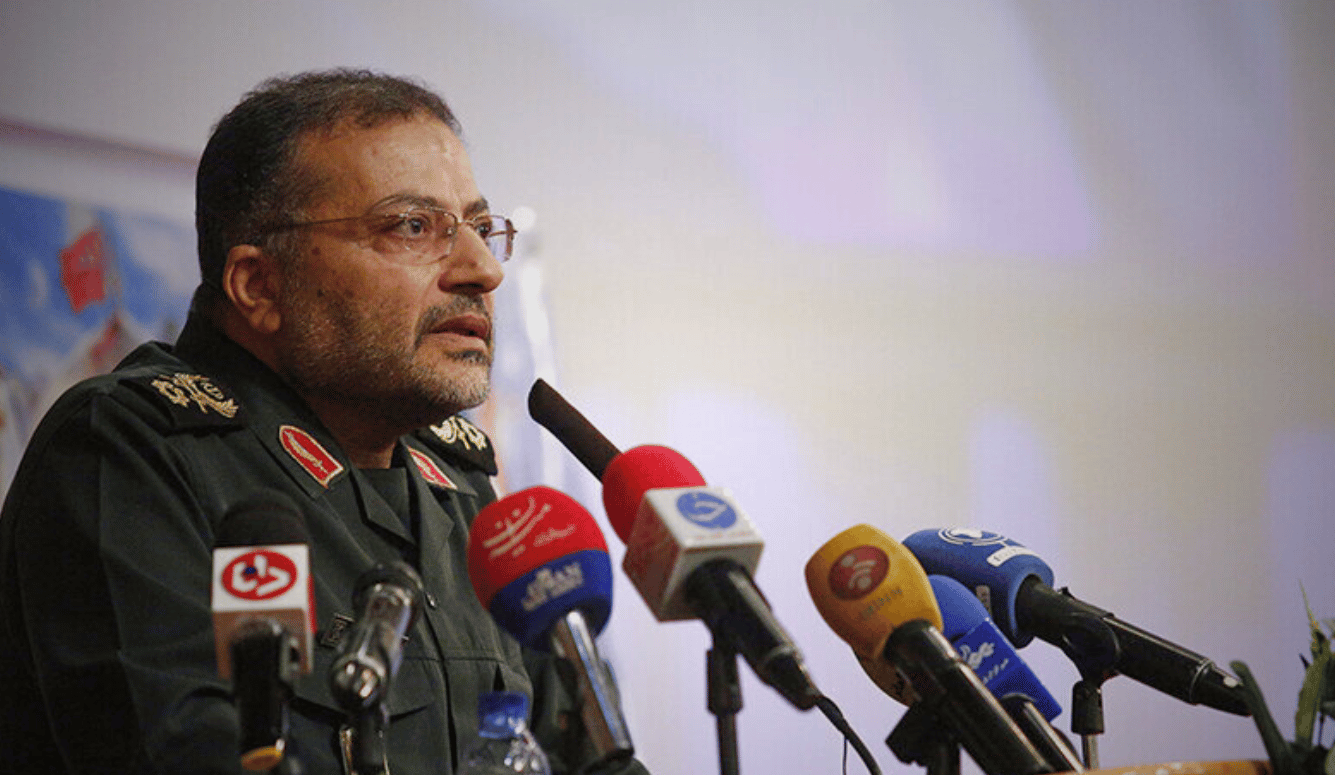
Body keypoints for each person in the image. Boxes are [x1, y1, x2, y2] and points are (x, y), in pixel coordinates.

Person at [0, 69, 647, 775]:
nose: (480, 270)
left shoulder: (457, 484)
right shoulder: (129, 451)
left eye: (479, 228)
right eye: (412, 226)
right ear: (259, 285)